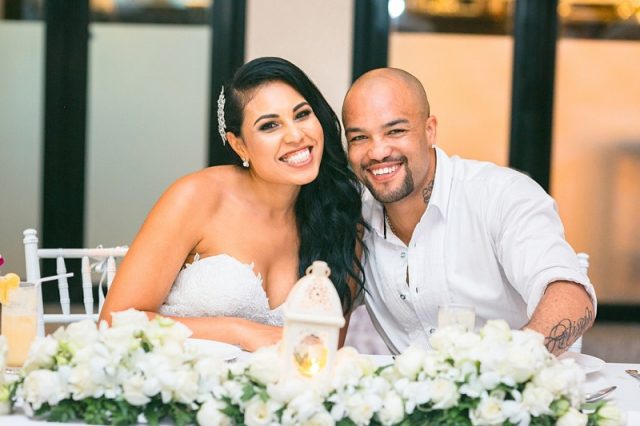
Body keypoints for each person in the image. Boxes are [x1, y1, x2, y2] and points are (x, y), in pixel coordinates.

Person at [100, 57, 365, 352]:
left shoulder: (340, 219)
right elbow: (114, 322)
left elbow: (326, 351)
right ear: (239, 145)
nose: (295, 135)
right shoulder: (196, 197)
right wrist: (239, 331)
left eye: (302, 114)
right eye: (270, 125)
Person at [342, 68, 596, 356]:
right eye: (359, 138)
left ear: (429, 130)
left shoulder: (501, 195)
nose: (377, 152)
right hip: (406, 385)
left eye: (395, 131)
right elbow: (321, 312)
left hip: (510, 380)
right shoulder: (353, 220)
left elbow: (574, 299)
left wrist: (511, 365)